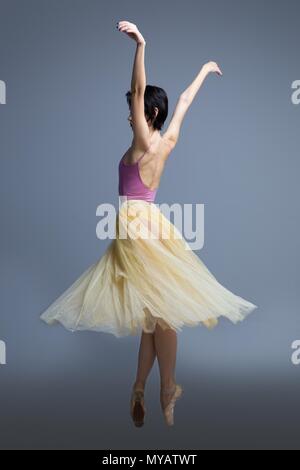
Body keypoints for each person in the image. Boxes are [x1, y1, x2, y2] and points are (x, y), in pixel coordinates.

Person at [40, 20, 258, 427]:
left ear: (149, 114)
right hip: (155, 226)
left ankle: (144, 386)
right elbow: (187, 101)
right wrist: (205, 69)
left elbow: (140, 90)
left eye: (134, 111)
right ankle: (166, 390)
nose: (129, 115)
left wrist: (140, 44)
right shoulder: (168, 141)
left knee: (156, 316)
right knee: (159, 314)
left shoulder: (142, 142)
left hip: (131, 228)